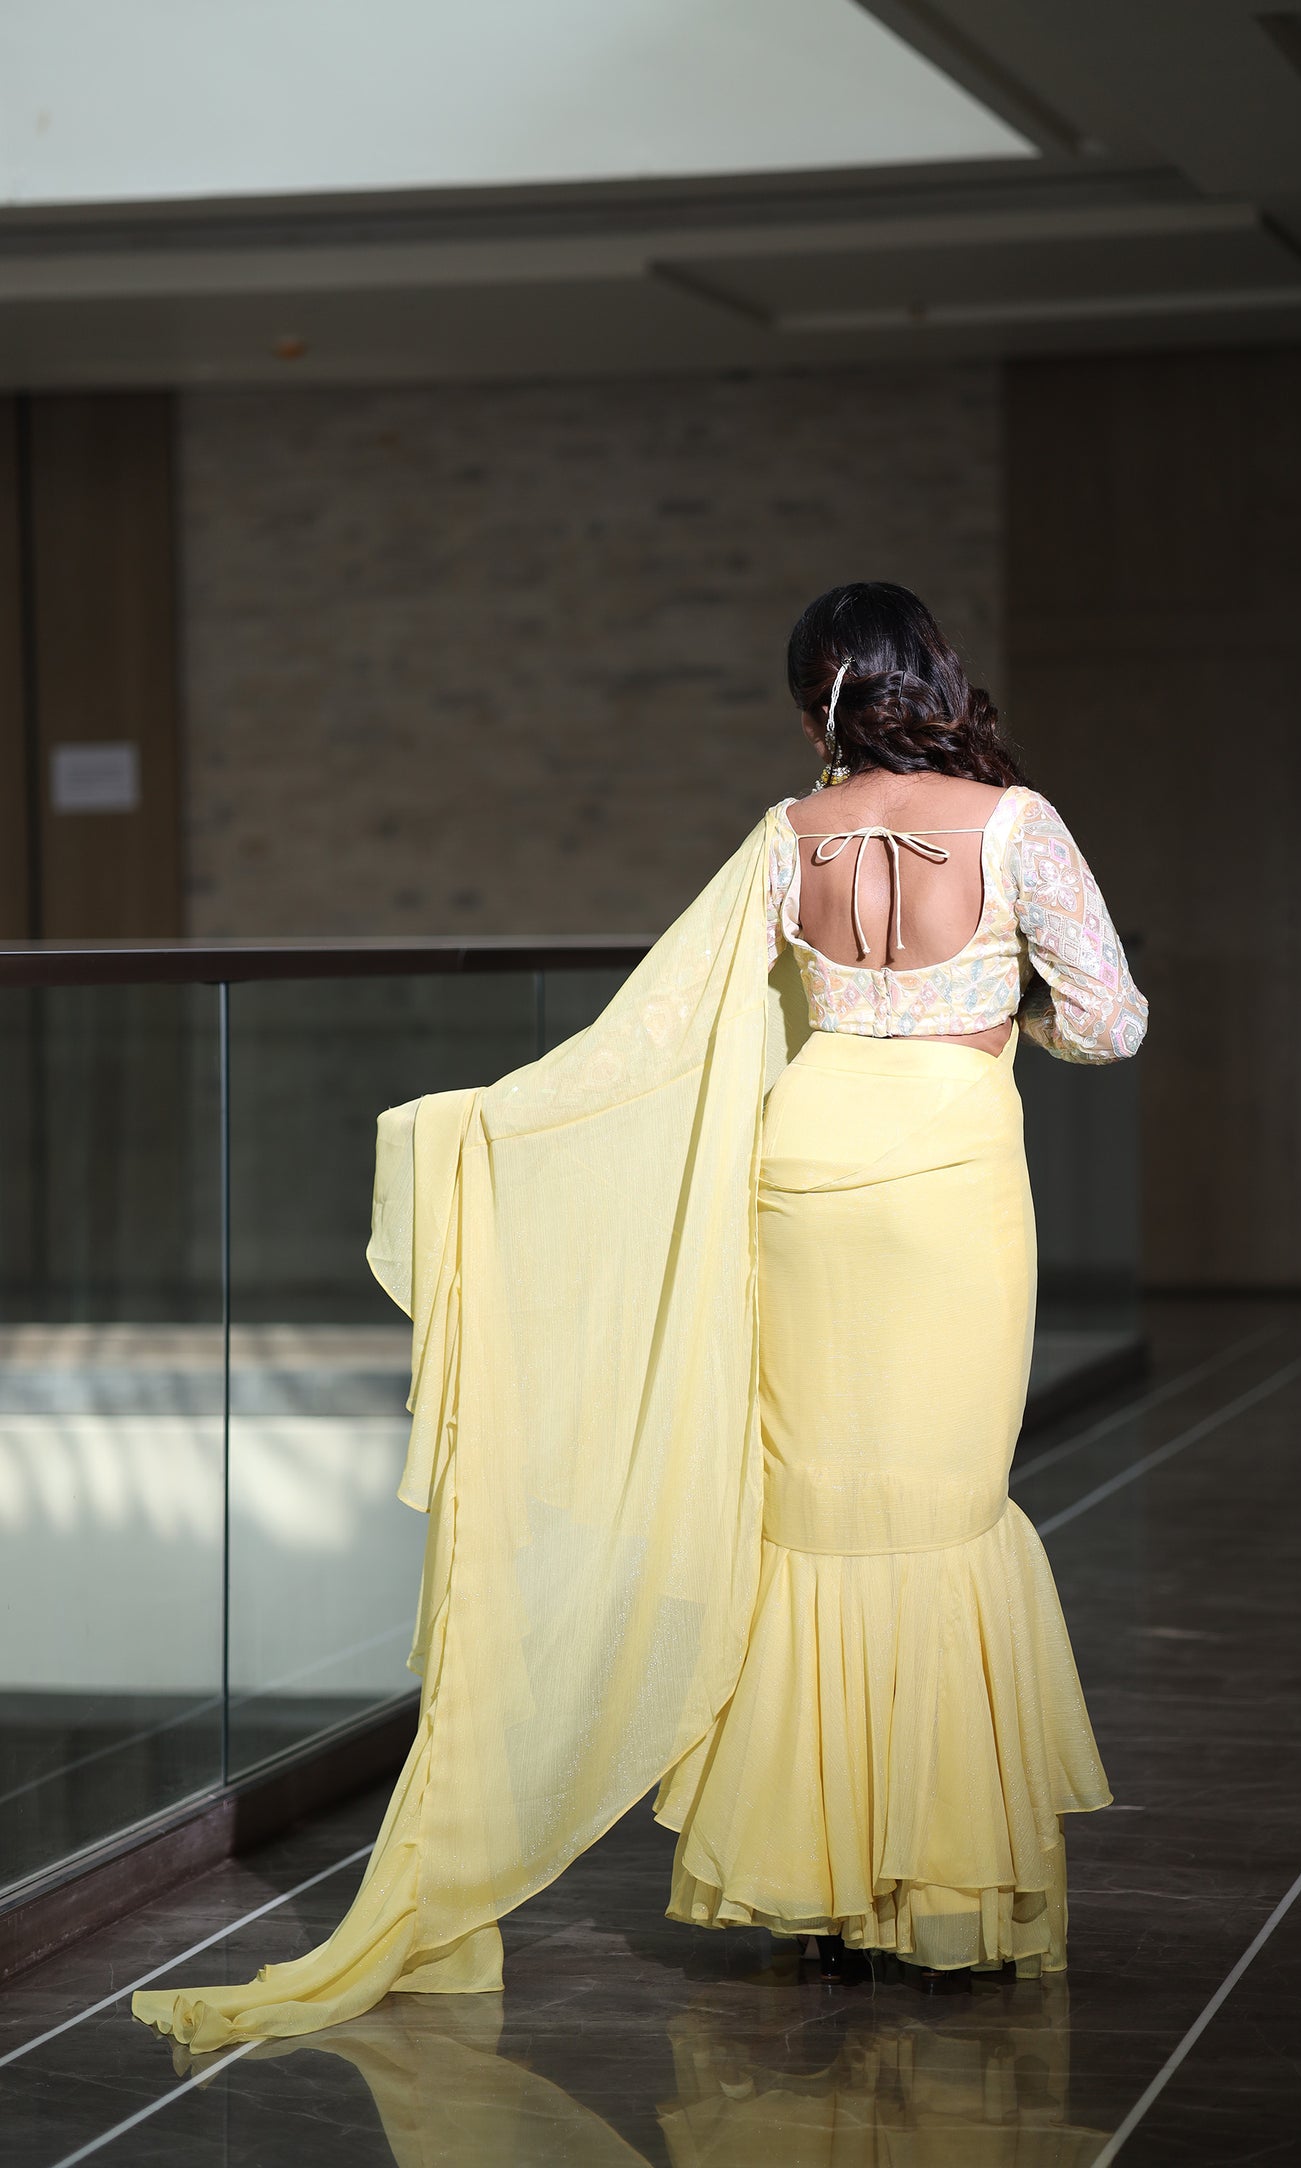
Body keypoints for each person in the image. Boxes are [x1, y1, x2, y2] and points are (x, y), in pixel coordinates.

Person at [135, 582, 1145, 2052]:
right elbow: (1109, 1021)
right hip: (947, 1184)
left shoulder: (782, 839)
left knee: (810, 1523)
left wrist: (483, 1134)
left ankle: (810, 1895)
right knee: (938, 1517)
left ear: (818, 700)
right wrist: (1012, 1017)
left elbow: (653, 1037)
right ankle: (940, 1903)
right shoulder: (1016, 825)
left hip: (801, 1176)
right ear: (937, 677)